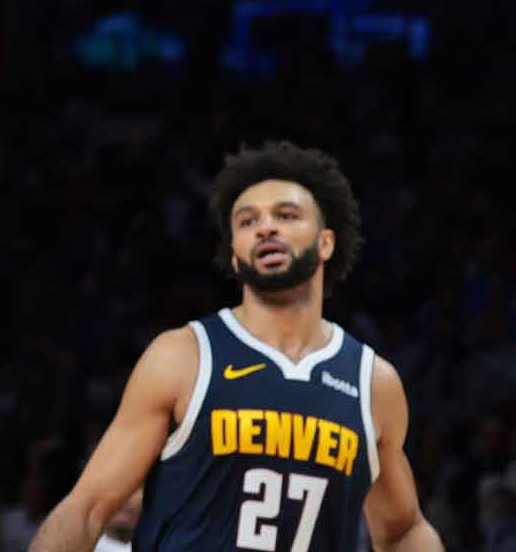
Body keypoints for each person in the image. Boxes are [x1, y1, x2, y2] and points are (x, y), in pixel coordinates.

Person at [29, 141, 443, 551]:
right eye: (247, 222)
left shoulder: (373, 383)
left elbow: (404, 529)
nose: (265, 227)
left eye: (286, 215)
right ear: (234, 253)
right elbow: (86, 510)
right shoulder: (183, 357)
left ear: (326, 243)